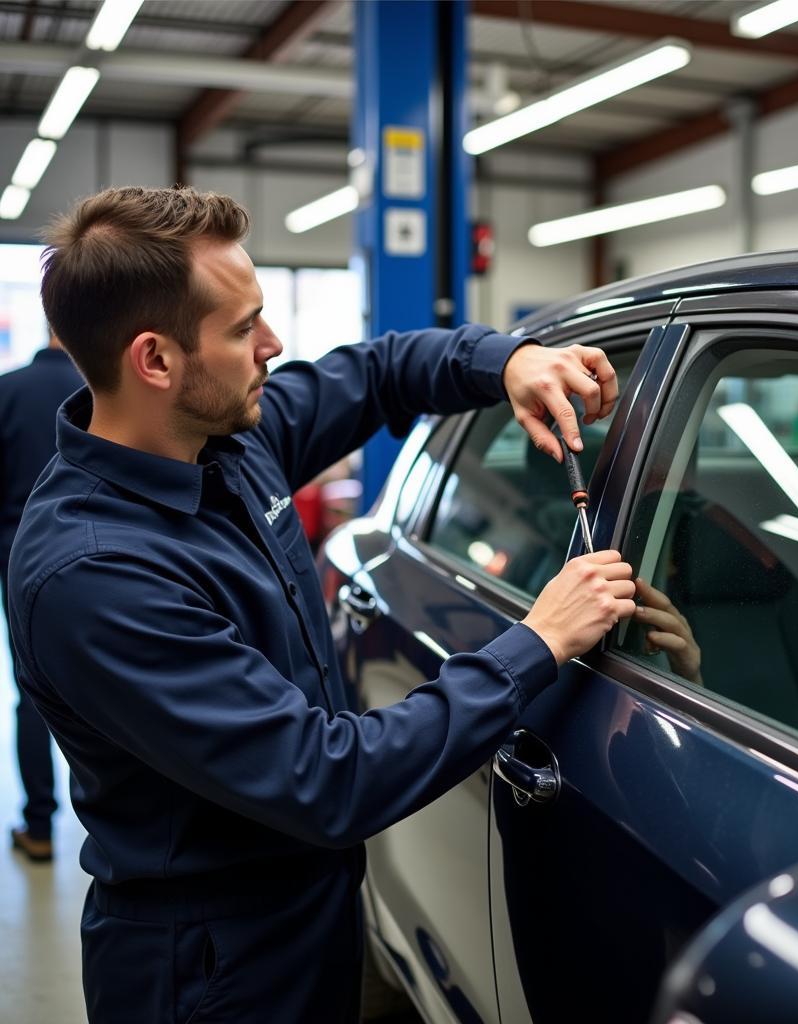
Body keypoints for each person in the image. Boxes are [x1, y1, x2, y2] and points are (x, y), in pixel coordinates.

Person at [6, 185, 636, 1023]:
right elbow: (331, 777)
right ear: (154, 361)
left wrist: (507, 360)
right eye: (241, 330)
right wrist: (538, 641)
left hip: (309, 906)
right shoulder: (98, 579)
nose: (273, 345)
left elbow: (376, 373)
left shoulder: (226, 441)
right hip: (212, 968)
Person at [0, 333, 82, 861]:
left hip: (17, 557)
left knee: (32, 693)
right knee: (111, 688)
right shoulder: (99, 391)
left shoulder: (7, 391)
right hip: (100, 552)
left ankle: (39, 827)